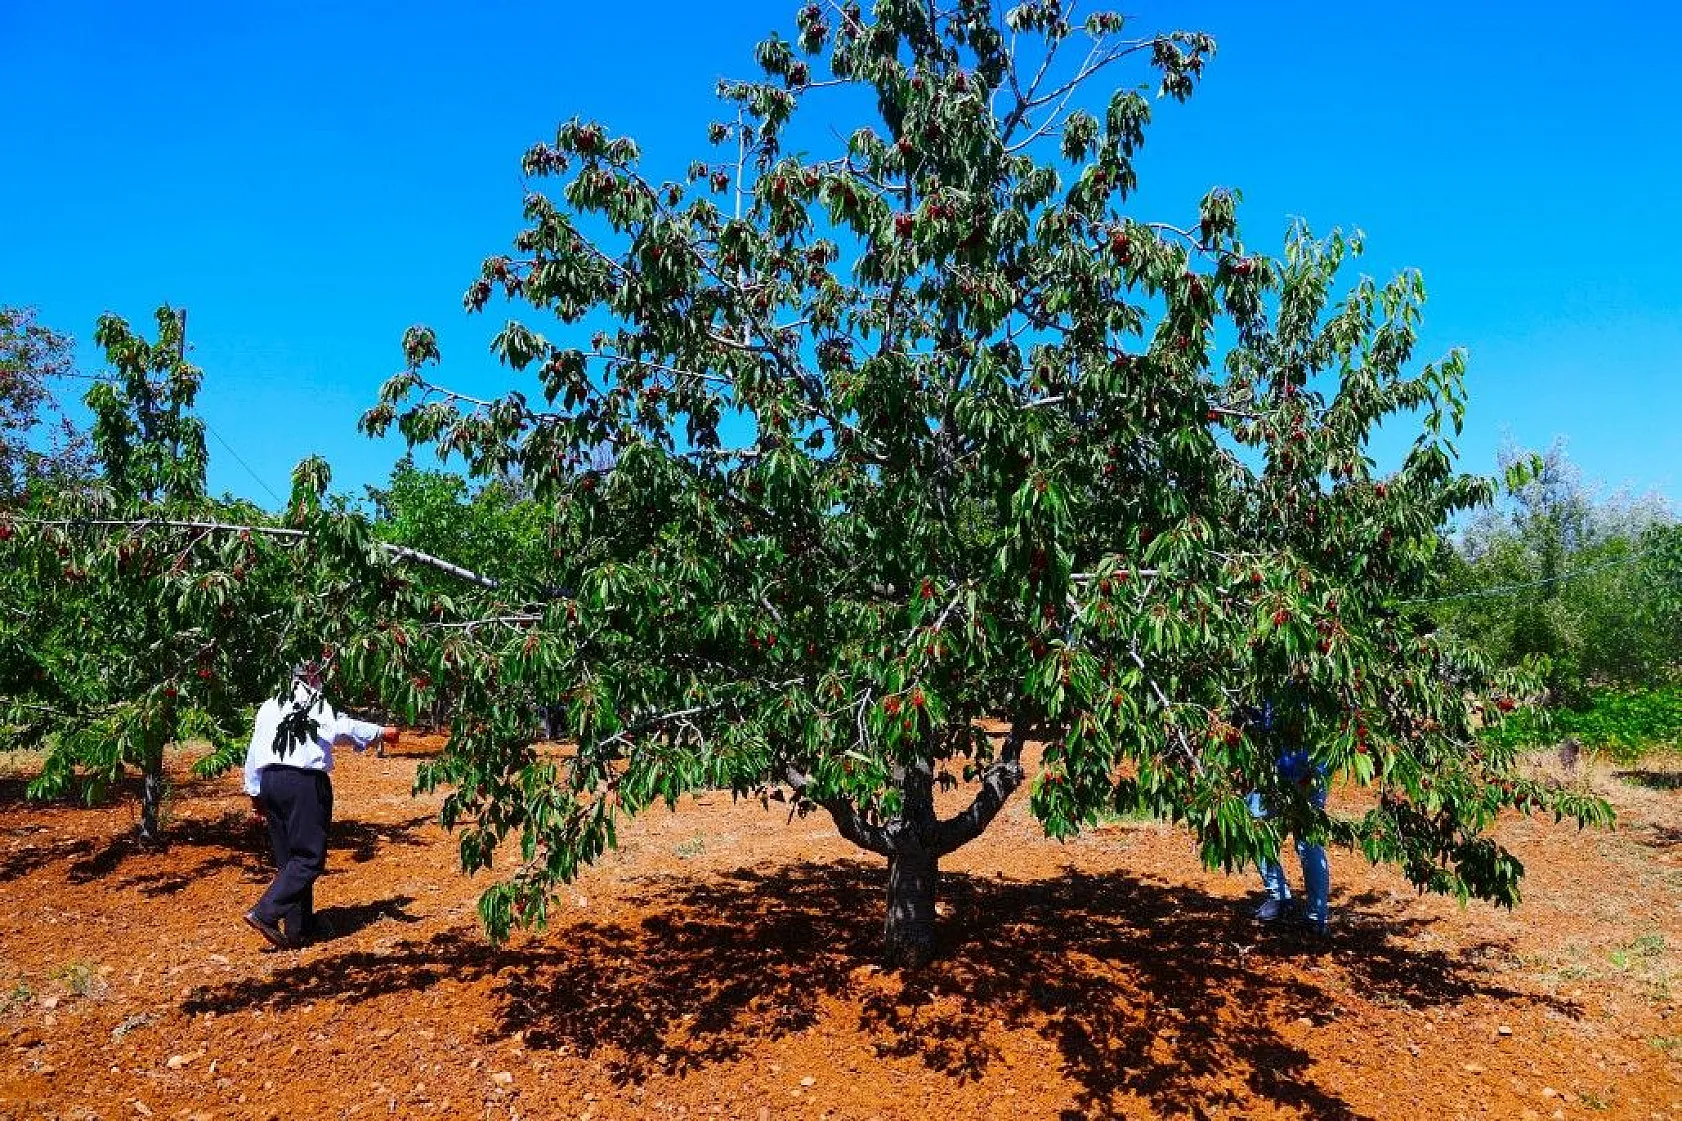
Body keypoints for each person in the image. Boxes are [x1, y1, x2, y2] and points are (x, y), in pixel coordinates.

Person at [241, 663, 395, 949]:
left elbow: (254, 748)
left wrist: (255, 793)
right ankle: (265, 912)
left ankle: (300, 929)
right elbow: (341, 728)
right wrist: (380, 732)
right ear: (310, 675)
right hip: (304, 781)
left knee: (290, 861)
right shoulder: (313, 702)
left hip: (271, 781)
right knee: (309, 858)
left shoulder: (270, 705)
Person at [1244, 701, 1331, 935]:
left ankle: (1305, 910)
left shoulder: (1281, 679)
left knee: (1262, 828)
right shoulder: (1319, 679)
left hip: (1295, 772)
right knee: (1257, 825)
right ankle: (1301, 908)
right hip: (1296, 772)